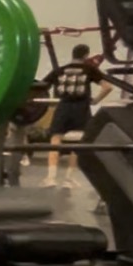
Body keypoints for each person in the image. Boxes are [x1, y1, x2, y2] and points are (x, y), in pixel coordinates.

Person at [44, 44, 112, 173]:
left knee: (55, 139)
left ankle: (51, 177)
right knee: (78, 142)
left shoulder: (60, 70)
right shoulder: (89, 69)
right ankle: (69, 179)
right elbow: (108, 87)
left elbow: (42, 86)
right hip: (81, 107)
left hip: (63, 106)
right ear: (86, 55)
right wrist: (96, 100)